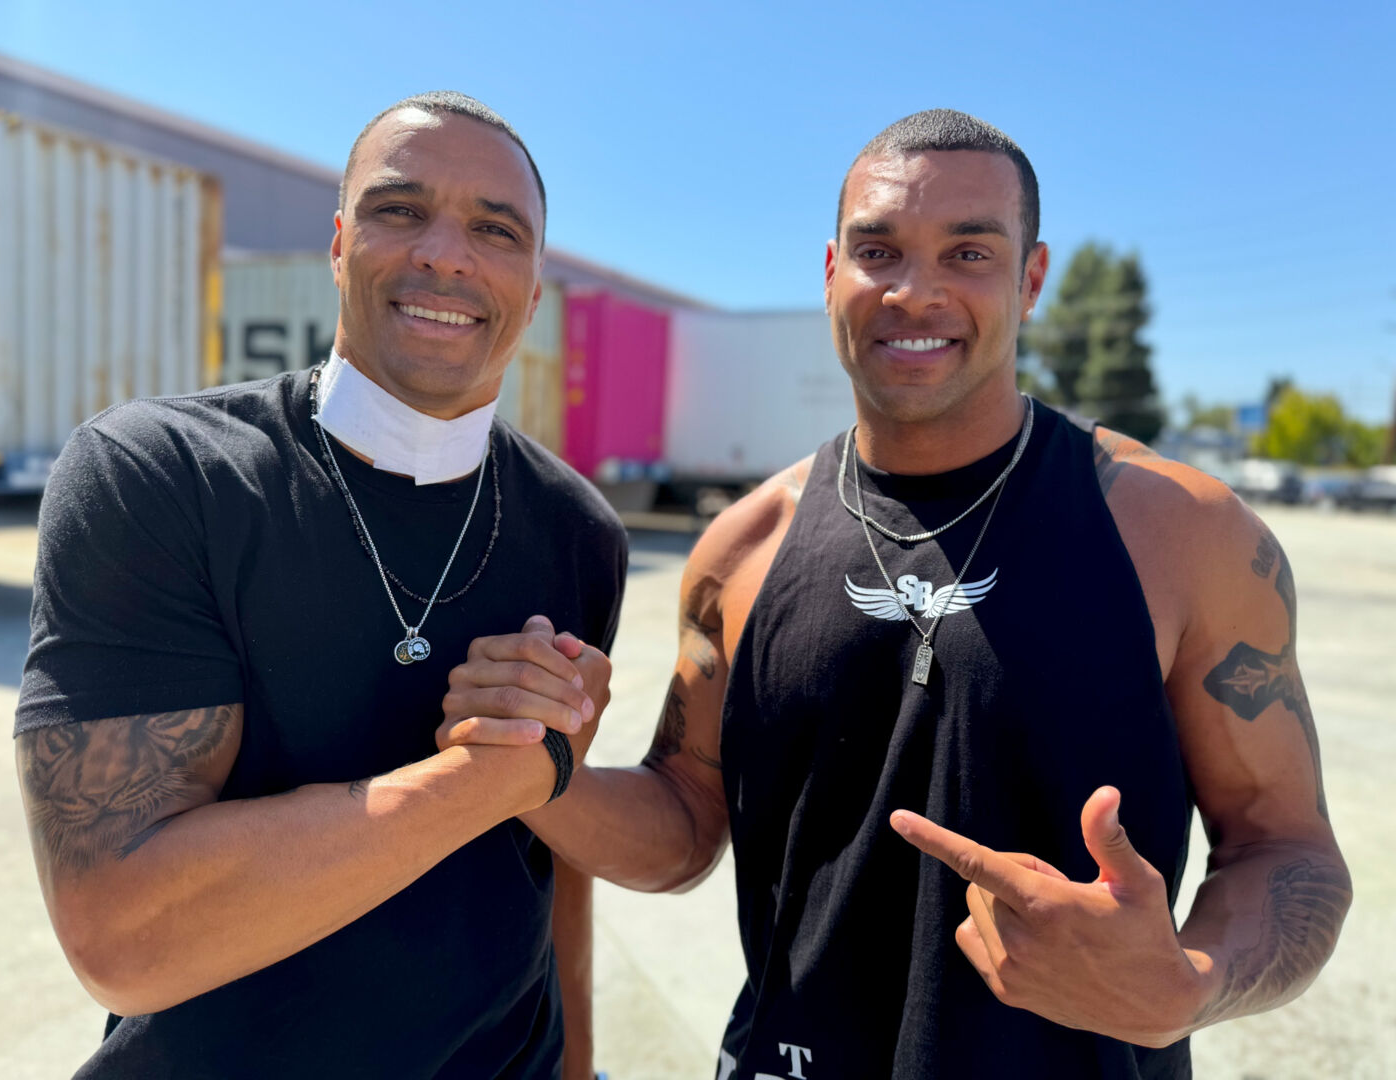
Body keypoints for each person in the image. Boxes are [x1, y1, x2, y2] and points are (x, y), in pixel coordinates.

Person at [444, 110, 1351, 1078]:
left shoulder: (1182, 533)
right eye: (879, 251)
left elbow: (1288, 851)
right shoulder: (742, 550)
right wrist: (541, 773)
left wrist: (1190, 985)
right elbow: (683, 826)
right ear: (831, 271)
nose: (915, 292)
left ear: (1031, 279)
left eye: (969, 253)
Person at [14, 91, 625, 1078]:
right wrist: (488, 776)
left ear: (534, 286)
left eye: (495, 230)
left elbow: (547, 844)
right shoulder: (160, 474)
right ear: (339, 246)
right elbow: (125, 937)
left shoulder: (578, 528)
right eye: (400, 209)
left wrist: (579, 1063)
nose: (445, 254)